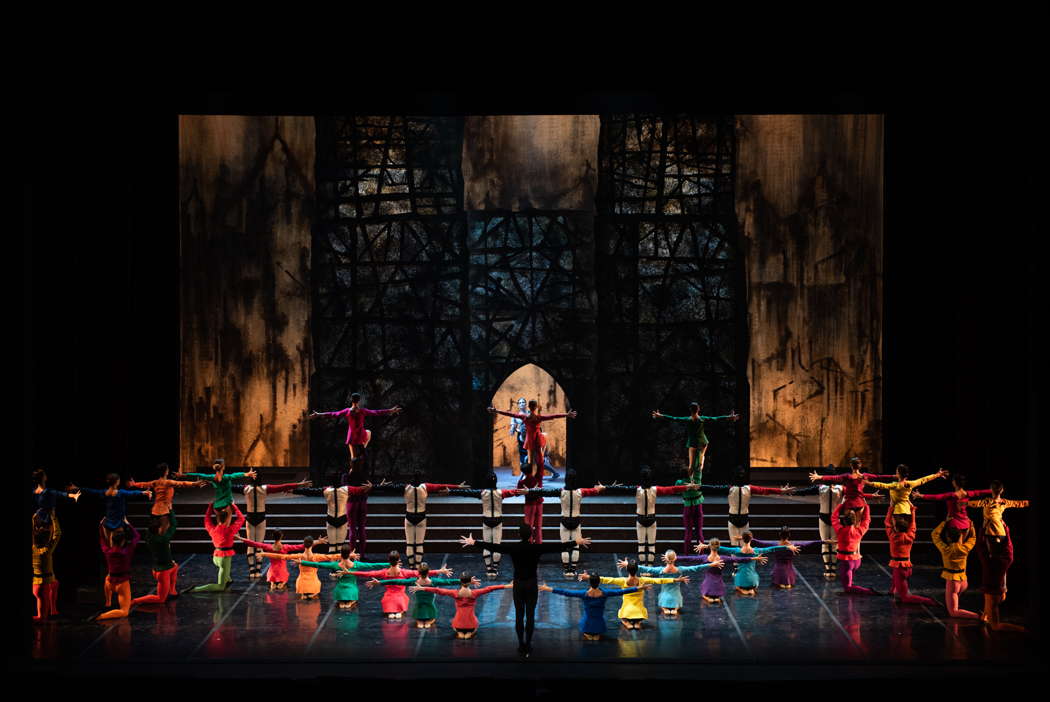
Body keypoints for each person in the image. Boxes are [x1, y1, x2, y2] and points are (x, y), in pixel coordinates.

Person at [459, 525, 591, 657]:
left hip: (519, 585)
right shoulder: (536, 548)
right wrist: (576, 542)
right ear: (531, 535)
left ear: (518, 535)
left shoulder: (513, 547)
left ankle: (521, 644)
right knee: (530, 615)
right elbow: (557, 547)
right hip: (531, 584)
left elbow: (494, 547)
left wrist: (474, 542)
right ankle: (528, 644)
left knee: (519, 615)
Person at [791, 465, 878, 578]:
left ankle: (834, 568)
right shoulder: (821, 487)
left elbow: (856, 494)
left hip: (835, 519)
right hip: (823, 517)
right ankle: (828, 568)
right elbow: (805, 491)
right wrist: (792, 492)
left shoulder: (840, 488)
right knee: (825, 543)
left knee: (834, 544)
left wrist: (871, 496)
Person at [603, 466, 696, 564]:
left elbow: (622, 489)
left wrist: (608, 487)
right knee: (651, 545)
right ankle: (650, 567)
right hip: (651, 519)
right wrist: (687, 487)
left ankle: (643, 567)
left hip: (641, 519)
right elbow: (671, 489)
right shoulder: (655, 489)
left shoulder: (637, 489)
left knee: (641, 545)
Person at [972, 480, 1030, 627]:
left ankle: (996, 592)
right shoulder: (1002, 502)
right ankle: (987, 610)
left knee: (993, 563)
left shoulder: (987, 501)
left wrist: (962, 503)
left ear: (991, 490)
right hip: (1002, 534)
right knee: (1001, 564)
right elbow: (1019, 503)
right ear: (1002, 490)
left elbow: (973, 504)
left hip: (991, 534)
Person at [528, 470, 605, 577]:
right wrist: (601, 488)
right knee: (576, 546)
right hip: (576, 520)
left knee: (564, 546)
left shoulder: (561, 491)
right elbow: (594, 491)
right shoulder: (580, 492)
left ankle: (566, 570)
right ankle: (572, 570)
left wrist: (534, 490)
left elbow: (546, 492)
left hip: (564, 521)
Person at [447, 474, 525, 578]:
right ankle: (495, 569)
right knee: (497, 545)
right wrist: (531, 490)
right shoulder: (501, 492)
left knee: (486, 545)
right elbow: (515, 492)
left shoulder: (482, 492)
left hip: (487, 520)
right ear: (496, 482)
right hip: (497, 519)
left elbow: (467, 493)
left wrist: (451, 491)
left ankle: (489, 570)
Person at [236, 472, 310, 579]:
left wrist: (212, 480)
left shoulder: (245, 489)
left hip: (250, 517)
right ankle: (258, 571)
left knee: (251, 544)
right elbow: (283, 487)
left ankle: (252, 571)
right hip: (260, 517)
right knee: (259, 544)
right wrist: (298, 484)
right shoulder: (265, 488)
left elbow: (227, 485)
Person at [488, 401, 576, 489]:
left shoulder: (525, 417)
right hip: (536, 441)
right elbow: (554, 416)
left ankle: (533, 483)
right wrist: (566, 415)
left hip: (532, 441)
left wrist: (497, 411)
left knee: (532, 464)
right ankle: (538, 483)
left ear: (529, 407)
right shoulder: (538, 417)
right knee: (539, 464)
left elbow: (510, 414)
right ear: (536, 407)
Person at [390, 470, 464, 567]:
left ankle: (412, 566)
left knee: (409, 544)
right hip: (421, 516)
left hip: (409, 516)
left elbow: (388, 487)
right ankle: (417, 566)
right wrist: (457, 486)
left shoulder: (405, 487)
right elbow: (441, 485)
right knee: (419, 544)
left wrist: (375, 486)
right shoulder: (425, 486)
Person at [578, 561, 683, 629]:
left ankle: (627, 622)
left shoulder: (622, 581)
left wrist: (589, 577)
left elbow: (606, 579)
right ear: (637, 570)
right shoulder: (643, 580)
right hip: (638, 610)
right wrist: (676, 579)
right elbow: (659, 580)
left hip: (627, 610)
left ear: (627, 570)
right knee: (639, 612)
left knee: (623, 614)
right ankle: (637, 623)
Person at [347, 551, 453, 618]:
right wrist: (439, 571)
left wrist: (350, 572)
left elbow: (367, 573)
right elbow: (421, 573)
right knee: (398, 612)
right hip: (400, 599)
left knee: (391, 614)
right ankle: (399, 611)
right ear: (398, 561)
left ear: (389, 561)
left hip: (388, 599)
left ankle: (392, 612)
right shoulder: (405, 572)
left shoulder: (384, 572)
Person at [539, 575, 645, 640]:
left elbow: (566, 592)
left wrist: (548, 588)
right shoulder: (605, 593)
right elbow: (622, 591)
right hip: (599, 625)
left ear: (589, 583)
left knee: (589, 634)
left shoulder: (584, 594)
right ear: (598, 582)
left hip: (587, 625)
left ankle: (590, 635)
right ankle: (595, 635)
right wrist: (639, 587)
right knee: (596, 635)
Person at [309, 392, 403, 464]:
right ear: (359, 401)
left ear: (351, 400)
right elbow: (377, 412)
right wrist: (391, 410)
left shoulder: (347, 411)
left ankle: (352, 471)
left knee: (353, 460)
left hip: (351, 437)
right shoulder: (363, 411)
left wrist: (318, 414)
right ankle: (363, 448)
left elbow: (333, 414)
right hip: (360, 436)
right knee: (369, 432)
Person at [651, 402, 739, 479]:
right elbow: (716, 418)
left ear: (690, 410)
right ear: (698, 409)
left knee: (692, 466)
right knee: (698, 464)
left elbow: (674, 418)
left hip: (697, 443)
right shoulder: (701, 419)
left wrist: (661, 416)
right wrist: (729, 417)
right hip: (701, 443)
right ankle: (698, 469)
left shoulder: (690, 419)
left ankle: (693, 481)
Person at [412, 574, 512, 638]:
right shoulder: (475, 593)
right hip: (471, 624)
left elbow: (438, 590)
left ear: (460, 581)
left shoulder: (455, 593)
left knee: (459, 630)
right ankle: (469, 633)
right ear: (469, 582)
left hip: (458, 624)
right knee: (472, 628)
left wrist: (423, 588)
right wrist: (507, 586)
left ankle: (460, 633)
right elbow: (490, 588)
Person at [368, 563, 470, 626]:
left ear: (418, 573)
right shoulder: (434, 581)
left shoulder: (414, 581)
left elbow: (397, 581)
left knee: (421, 623)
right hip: (431, 608)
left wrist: (380, 582)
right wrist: (466, 581)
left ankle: (421, 620)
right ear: (428, 572)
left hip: (418, 609)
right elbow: (449, 582)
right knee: (427, 616)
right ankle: (428, 620)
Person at [624, 550, 721, 615]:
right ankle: (675, 609)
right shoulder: (680, 570)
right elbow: (696, 568)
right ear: (675, 559)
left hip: (664, 597)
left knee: (664, 597)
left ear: (665, 559)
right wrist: (712, 564)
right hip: (676, 598)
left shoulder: (660, 570)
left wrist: (628, 564)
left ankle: (665, 608)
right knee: (675, 598)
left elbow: (645, 568)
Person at [293, 478, 374, 551]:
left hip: (330, 519)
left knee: (332, 546)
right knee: (340, 546)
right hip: (342, 518)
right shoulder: (347, 489)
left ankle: (332, 564)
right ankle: (339, 564)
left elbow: (311, 491)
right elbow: (361, 489)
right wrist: (371, 486)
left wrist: (294, 491)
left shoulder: (326, 490)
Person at [882, 504, 938, 606]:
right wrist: (913, 511)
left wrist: (890, 509)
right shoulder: (910, 535)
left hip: (899, 567)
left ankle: (929, 601)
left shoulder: (894, 537)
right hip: (907, 566)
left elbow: (886, 522)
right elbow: (913, 524)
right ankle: (893, 590)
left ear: (896, 528)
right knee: (896, 582)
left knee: (905, 597)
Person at [187, 502, 246, 593]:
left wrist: (210, 506)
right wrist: (233, 506)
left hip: (216, 558)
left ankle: (228, 580)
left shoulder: (212, 529)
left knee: (225, 573)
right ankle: (195, 589)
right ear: (227, 518)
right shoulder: (230, 530)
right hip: (224, 559)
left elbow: (206, 519)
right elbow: (241, 519)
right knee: (220, 587)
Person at [931, 519, 978, 618]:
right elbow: (973, 537)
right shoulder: (965, 548)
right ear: (960, 536)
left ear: (948, 538)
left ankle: (978, 616)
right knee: (953, 603)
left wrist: (944, 522)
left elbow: (934, 535)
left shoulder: (945, 549)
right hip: (964, 581)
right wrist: (971, 525)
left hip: (953, 582)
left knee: (953, 612)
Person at [237, 529, 313, 591]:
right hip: (282, 572)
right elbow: (302, 546)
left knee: (273, 585)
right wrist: (317, 542)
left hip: (272, 572)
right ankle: (281, 583)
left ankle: (273, 583)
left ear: (273, 537)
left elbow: (254, 543)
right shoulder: (286, 547)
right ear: (281, 536)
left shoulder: (268, 547)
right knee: (282, 583)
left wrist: (240, 538)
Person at [752, 527, 826, 589]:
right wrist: (824, 541)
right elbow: (810, 543)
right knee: (788, 586)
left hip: (778, 572)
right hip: (789, 573)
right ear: (789, 535)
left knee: (780, 586)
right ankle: (786, 583)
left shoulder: (774, 544)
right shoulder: (793, 545)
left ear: (779, 534)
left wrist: (746, 538)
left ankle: (781, 583)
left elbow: (759, 542)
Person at [78, 474, 152, 536]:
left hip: (108, 522)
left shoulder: (105, 492)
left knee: (111, 546)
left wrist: (78, 488)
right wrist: (144, 492)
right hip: (118, 523)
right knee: (118, 545)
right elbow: (132, 493)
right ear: (117, 482)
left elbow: (91, 491)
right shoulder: (120, 492)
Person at [131, 512, 181, 605]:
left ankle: (172, 591)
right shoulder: (163, 540)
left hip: (158, 568)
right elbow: (173, 525)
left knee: (175, 566)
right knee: (160, 599)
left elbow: (151, 525)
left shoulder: (149, 536)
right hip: (163, 571)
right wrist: (170, 512)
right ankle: (135, 601)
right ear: (158, 529)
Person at [808, 457, 894, 511]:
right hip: (860, 503)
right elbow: (879, 476)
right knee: (858, 526)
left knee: (850, 524)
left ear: (851, 466)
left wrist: (819, 477)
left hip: (849, 503)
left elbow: (834, 478)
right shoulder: (864, 476)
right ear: (860, 465)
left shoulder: (847, 476)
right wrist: (894, 476)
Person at [96, 523, 141, 620]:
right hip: (122, 583)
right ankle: (101, 616)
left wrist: (101, 527)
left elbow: (102, 539)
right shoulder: (126, 552)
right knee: (124, 612)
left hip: (109, 582)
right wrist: (128, 525)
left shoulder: (107, 551)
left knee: (107, 576)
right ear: (123, 541)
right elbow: (137, 536)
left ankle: (108, 602)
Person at [912, 473, 990, 530]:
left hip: (953, 522)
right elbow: (981, 492)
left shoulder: (951, 495)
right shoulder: (968, 494)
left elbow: (936, 497)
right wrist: (994, 490)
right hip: (966, 523)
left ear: (955, 483)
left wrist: (920, 495)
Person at [831, 502, 878, 595]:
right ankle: (852, 587)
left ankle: (869, 592)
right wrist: (866, 506)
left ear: (843, 520)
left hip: (846, 562)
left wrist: (842, 505)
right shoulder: (860, 530)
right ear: (854, 520)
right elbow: (867, 520)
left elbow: (833, 517)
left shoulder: (840, 530)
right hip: (857, 560)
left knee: (847, 588)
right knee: (849, 582)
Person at [864, 464, 947, 515]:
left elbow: (882, 485)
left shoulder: (895, 485)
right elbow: (924, 480)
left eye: (896, 472)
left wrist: (868, 483)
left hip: (897, 511)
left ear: (898, 474)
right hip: (907, 510)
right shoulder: (911, 483)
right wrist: (937, 475)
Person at [128, 463, 205, 517]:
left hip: (156, 509)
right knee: (169, 526)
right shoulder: (168, 482)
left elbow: (144, 484)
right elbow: (183, 483)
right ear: (166, 472)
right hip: (164, 509)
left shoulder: (155, 482)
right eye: (167, 469)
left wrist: (134, 484)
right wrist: (195, 483)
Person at [182, 459, 255, 510]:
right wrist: (247, 474)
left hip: (217, 505)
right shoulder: (226, 477)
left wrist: (183, 475)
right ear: (223, 467)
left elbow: (198, 474)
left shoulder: (211, 478)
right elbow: (235, 475)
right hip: (227, 503)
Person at [31, 514, 62, 621]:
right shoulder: (46, 552)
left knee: (55, 583)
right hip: (43, 585)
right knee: (42, 618)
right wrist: (54, 517)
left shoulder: (33, 548)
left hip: (36, 584)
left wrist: (33, 520)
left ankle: (53, 609)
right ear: (46, 540)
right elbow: (57, 534)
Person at [509, 397, 528, 476]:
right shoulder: (515, 415)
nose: (521, 404)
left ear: (526, 404)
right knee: (522, 454)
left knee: (531, 455)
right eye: (519, 403)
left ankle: (528, 473)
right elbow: (513, 424)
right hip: (521, 436)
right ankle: (523, 473)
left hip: (530, 436)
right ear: (518, 405)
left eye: (523, 402)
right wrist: (512, 429)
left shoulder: (529, 413)